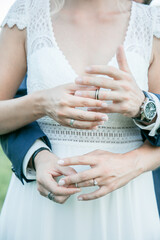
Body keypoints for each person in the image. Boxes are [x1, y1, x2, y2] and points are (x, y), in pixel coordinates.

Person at [0, 0, 160, 239]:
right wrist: (41, 104)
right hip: (39, 202)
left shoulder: (151, 24)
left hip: (126, 203)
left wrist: (132, 159)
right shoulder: (25, 15)